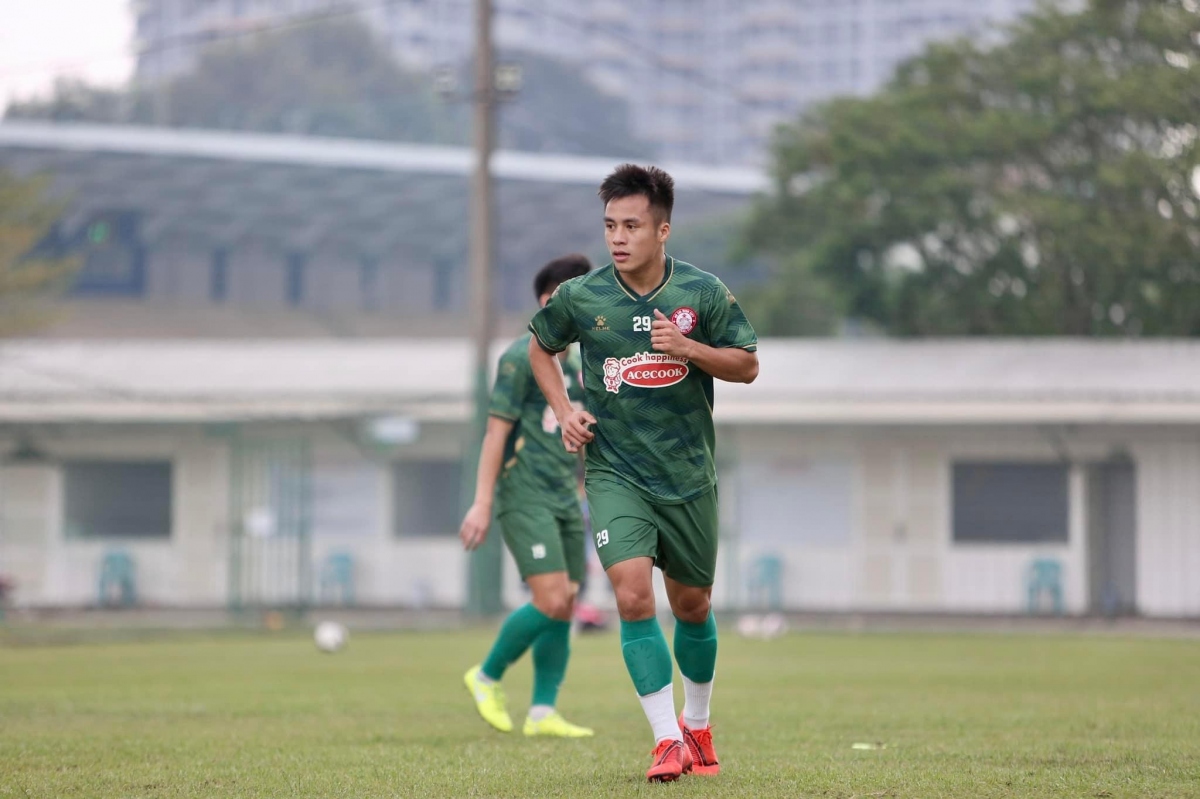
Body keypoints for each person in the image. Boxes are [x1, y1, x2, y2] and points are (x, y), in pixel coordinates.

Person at [527, 164, 759, 782]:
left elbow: (747, 365)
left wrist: (691, 350)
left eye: (631, 225)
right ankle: (665, 742)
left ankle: (699, 725)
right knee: (632, 596)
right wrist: (564, 409)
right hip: (614, 473)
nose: (618, 238)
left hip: (686, 476)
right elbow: (539, 349)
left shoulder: (703, 294)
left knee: (692, 604)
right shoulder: (583, 296)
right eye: (609, 226)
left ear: (663, 230)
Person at [460, 253, 595, 739]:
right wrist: (481, 501)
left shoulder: (581, 363)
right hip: (525, 494)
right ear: (548, 303)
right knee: (551, 597)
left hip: (564, 496)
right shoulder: (520, 357)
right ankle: (487, 674)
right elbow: (495, 434)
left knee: (569, 601)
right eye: (578, 296)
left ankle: (543, 712)